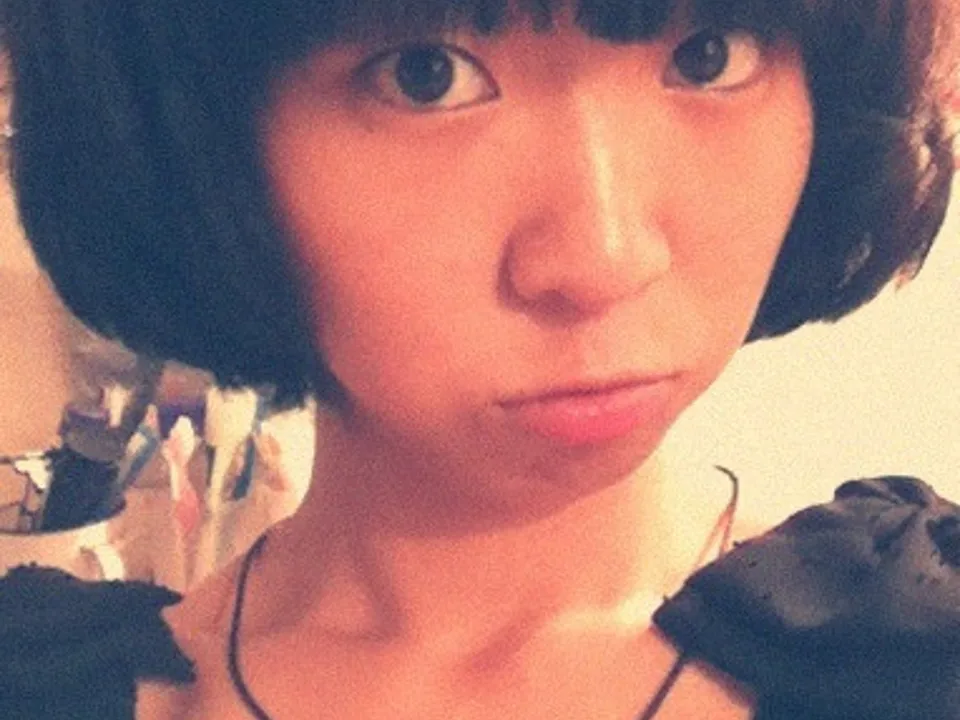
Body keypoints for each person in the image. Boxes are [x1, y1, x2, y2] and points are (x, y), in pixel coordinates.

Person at [0, 0, 957, 718]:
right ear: (193, 137)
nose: (603, 259)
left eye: (710, 55)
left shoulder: (915, 656)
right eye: (426, 75)